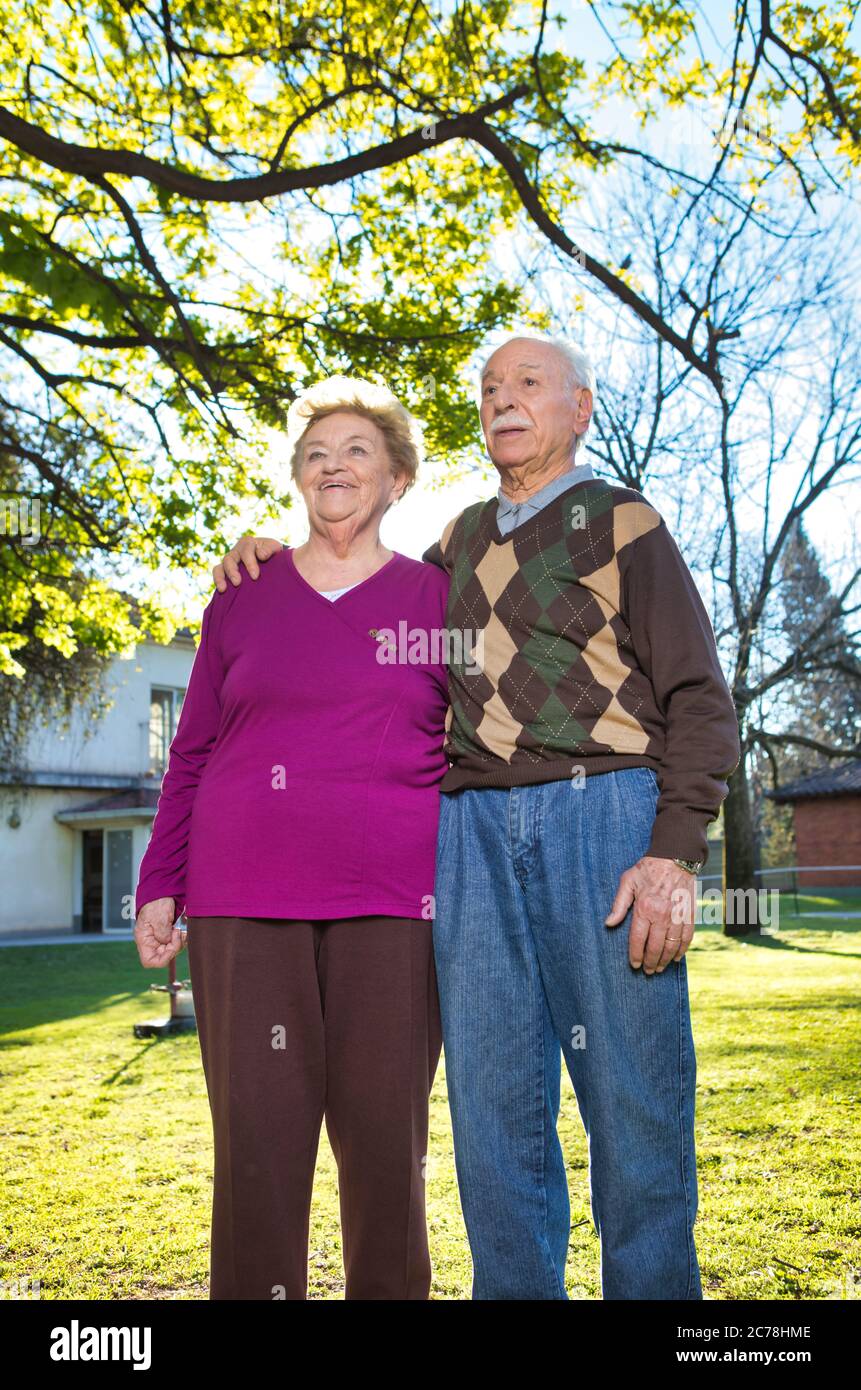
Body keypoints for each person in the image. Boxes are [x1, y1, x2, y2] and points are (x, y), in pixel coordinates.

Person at [214, 333, 741, 1301]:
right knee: (493, 1126)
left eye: (528, 384)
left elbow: (702, 698)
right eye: (490, 387)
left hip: (604, 818)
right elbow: (351, 582)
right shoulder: (453, 547)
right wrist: (262, 557)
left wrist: (673, 852)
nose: (503, 398)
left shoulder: (623, 521)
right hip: (469, 835)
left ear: (579, 408)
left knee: (635, 1110)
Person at [134, 376, 450, 1300]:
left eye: (358, 450)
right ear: (296, 480)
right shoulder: (242, 595)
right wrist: (162, 882)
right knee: (257, 1155)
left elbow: (478, 743)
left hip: (393, 904)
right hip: (243, 902)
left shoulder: (438, 598)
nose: (334, 465)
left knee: (387, 1150)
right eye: (316, 453)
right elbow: (189, 752)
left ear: (396, 478)